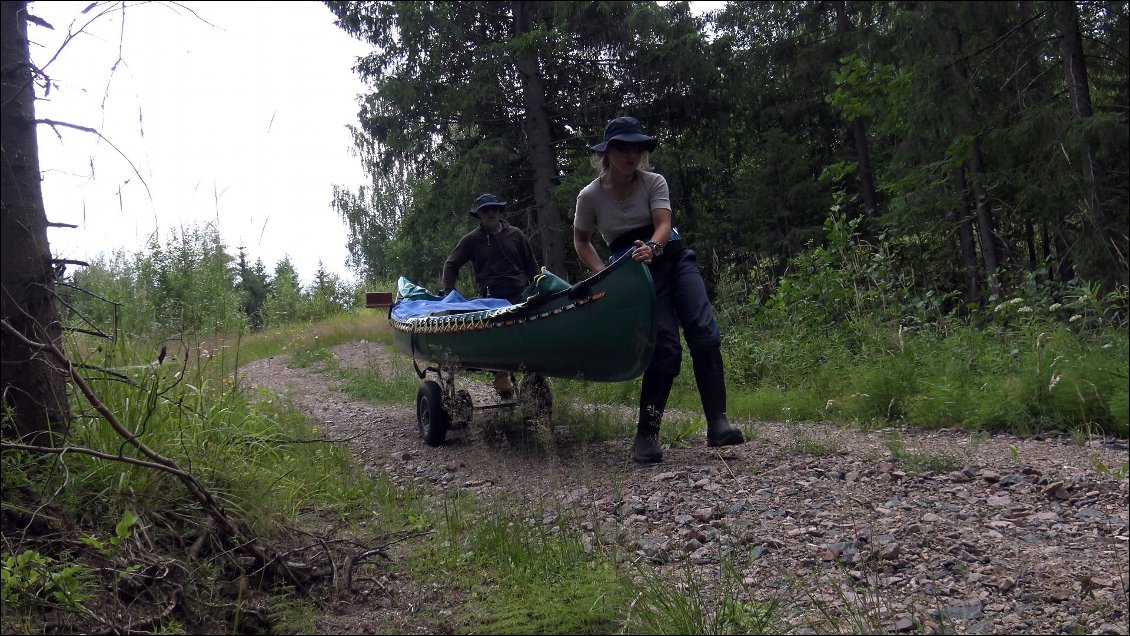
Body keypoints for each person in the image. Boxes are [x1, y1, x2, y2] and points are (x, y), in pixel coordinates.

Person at [573, 116, 745, 463]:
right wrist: (601, 271)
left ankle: (718, 424)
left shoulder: (654, 182)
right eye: (623, 147)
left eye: (637, 147)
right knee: (665, 348)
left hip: (674, 259)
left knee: (705, 334)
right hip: (634, 273)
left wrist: (652, 247)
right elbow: (581, 240)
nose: (631, 154)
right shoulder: (589, 196)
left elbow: (664, 224)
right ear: (607, 152)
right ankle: (646, 438)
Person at [442, 193, 541, 400]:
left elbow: (531, 265)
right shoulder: (471, 240)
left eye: (494, 208)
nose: (490, 213)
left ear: (499, 210)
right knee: (497, 340)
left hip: (519, 295)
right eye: (485, 210)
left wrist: (540, 286)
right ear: (478, 214)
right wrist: (450, 293)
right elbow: (451, 264)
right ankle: (502, 381)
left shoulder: (516, 235)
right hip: (491, 299)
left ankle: (534, 386)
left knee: (529, 339)